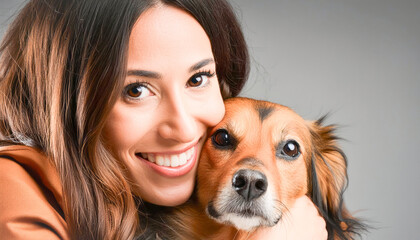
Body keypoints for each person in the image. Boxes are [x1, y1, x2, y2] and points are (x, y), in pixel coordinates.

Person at [0, 0, 327, 239]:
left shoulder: (138, 199)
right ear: (66, 104)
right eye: (136, 90)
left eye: (197, 79)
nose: (185, 129)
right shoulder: (11, 190)